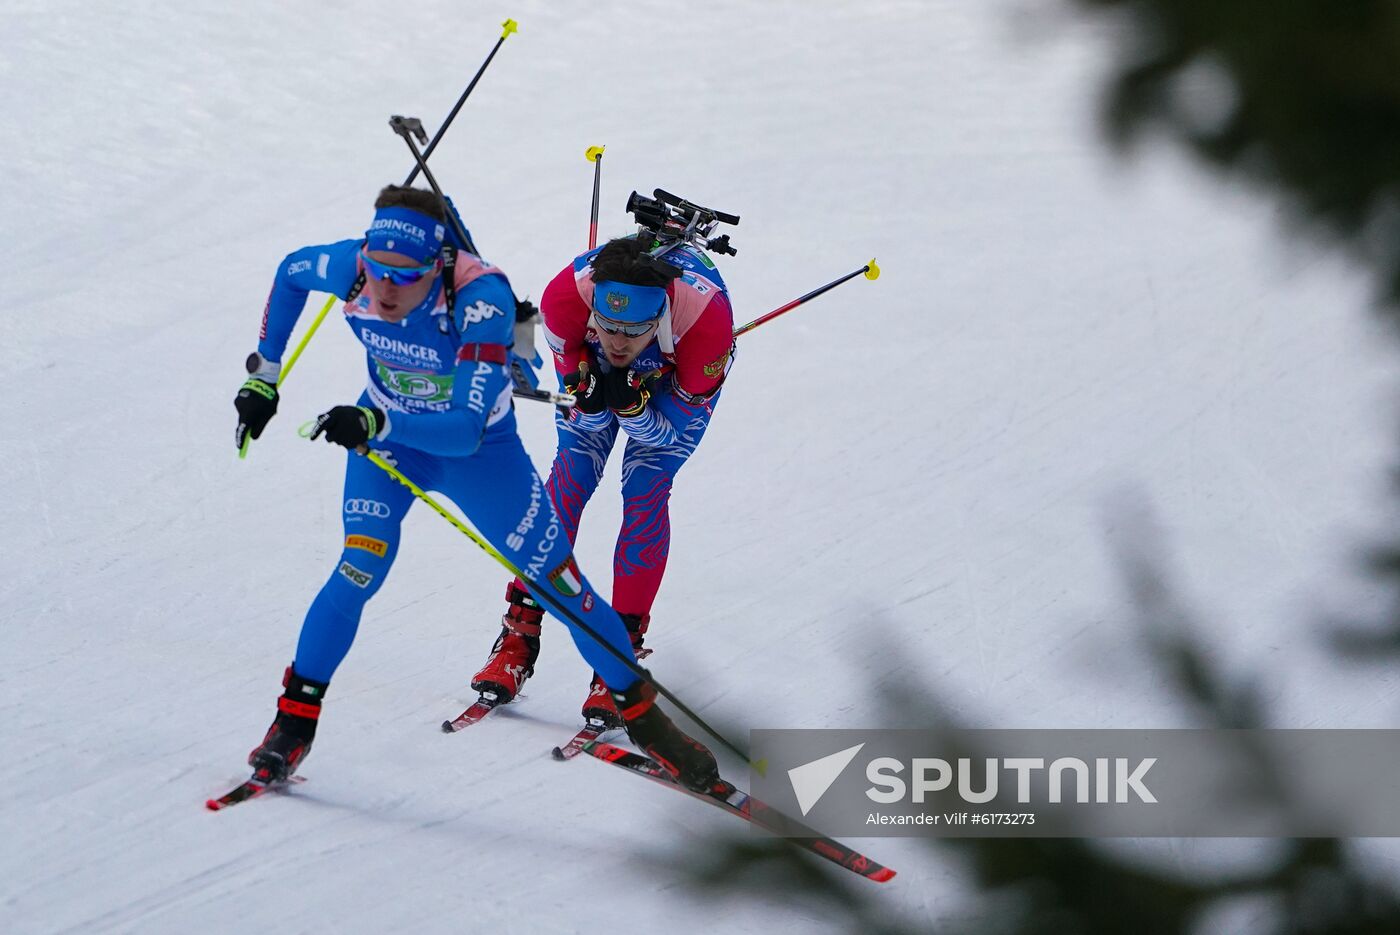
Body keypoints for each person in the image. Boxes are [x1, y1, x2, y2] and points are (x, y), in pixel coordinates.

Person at [231, 186, 721, 791]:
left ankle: (649, 725)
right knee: (357, 569)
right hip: (385, 442)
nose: (384, 291)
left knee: (562, 589)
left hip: (478, 455)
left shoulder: (480, 299)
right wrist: (265, 375)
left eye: (404, 278)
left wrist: (378, 423)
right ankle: (293, 724)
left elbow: (462, 433)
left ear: (436, 266)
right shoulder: (351, 267)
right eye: (377, 272)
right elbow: (289, 274)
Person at [470, 234, 735, 729]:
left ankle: (620, 660)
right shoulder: (565, 300)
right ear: (594, 304)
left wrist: (632, 407)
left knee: (645, 489)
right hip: (623, 368)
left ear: (657, 317)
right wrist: (593, 400)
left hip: (675, 383)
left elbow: (664, 433)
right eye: (608, 326)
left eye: (633, 331)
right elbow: (584, 426)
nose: (617, 342)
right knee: (569, 477)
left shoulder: (707, 324)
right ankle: (518, 633)